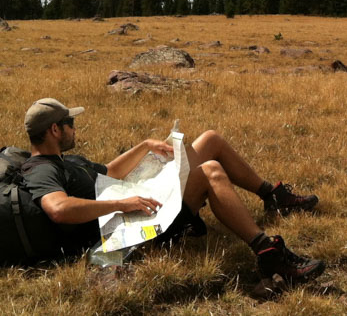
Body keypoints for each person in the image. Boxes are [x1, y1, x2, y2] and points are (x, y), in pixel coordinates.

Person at [21, 97, 325, 284]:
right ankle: (267, 253)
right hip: (132, 228)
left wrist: (145, 146)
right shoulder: (42, 170)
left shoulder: (65, 159)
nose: (75, 128)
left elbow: (109, 173)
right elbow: (58, 210)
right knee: (210, 172)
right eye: (70, 122)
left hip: (136, 201)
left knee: (210, 140)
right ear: (55, 131)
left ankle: (272, 196)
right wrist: (124, 204)